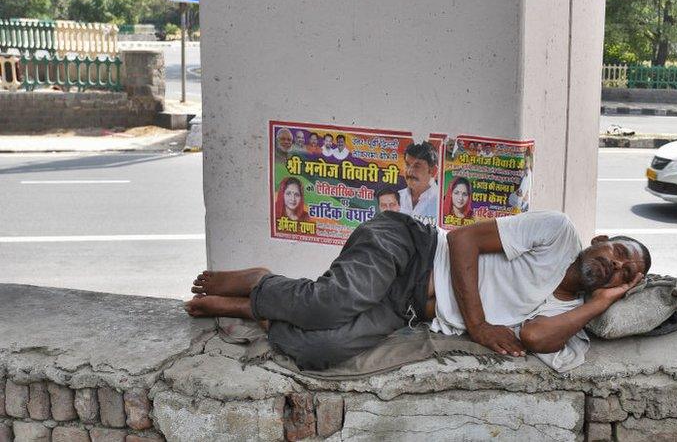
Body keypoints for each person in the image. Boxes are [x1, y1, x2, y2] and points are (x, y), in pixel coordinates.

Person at [185, 210, 649, 373]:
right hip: (410, 247)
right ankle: (259, 281)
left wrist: (601, 304)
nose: (615, 265)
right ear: (600, 239)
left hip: (407, 308)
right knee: (332, 302)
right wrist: (479, 325)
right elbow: (463, 239)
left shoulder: (569, 310)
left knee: (322, 346)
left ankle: (252, 305)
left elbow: (535, 339)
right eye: (619, 251)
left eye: (624, 274)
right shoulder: (557, 232)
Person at [398, 141, 439, 222]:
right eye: (407, 165)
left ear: (433, 171)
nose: (409, 171)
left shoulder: (440, 201)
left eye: (417, 166)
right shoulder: (397, 197)